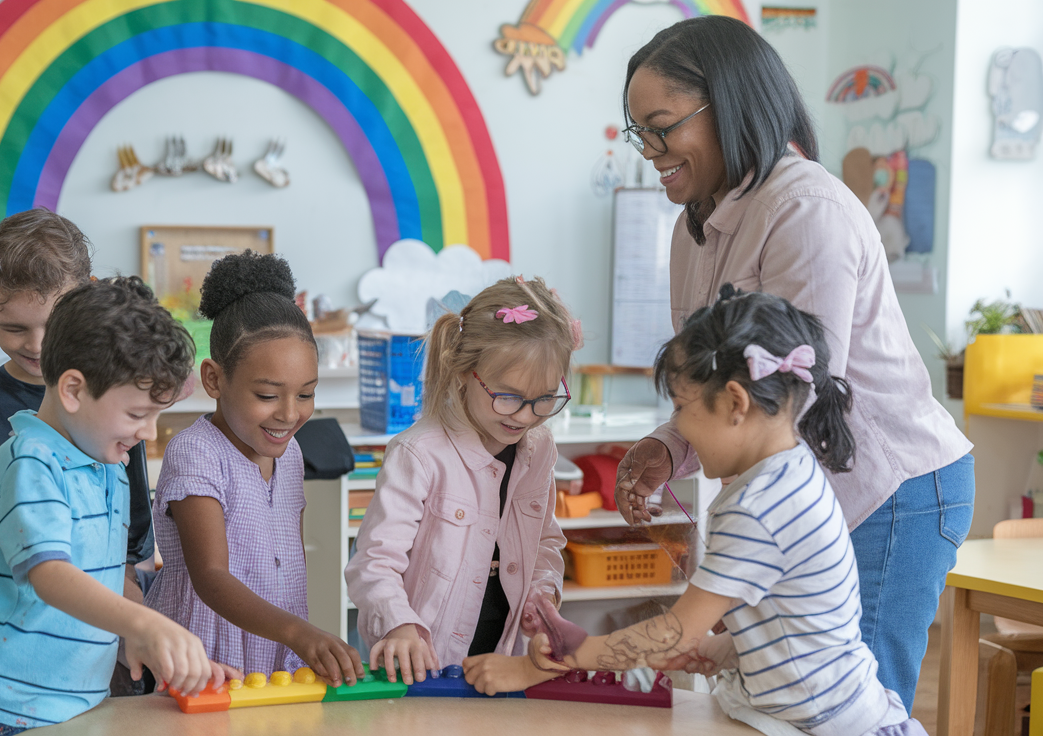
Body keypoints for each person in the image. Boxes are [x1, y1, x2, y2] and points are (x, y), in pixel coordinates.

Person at [611, 16, 973, 712]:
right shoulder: (695, 228)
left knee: (846, 708)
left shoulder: (806, 211)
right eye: (639, 132)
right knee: (776, 698)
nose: (650, 150)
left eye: (662, 126)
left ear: (728, 104)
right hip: (805, 491)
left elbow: (786, 396)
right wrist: (669, 445)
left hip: (886, 488)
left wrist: (733, 566)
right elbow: (715, 384)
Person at [469, 287, 928, 736]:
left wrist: (557, 659)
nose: (679, 425)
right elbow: (800, 617)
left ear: (734, 402)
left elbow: (676, 631)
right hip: (818, 712)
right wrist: (725, 650)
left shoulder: (759, 506)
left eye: (682, 406)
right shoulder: (789, 475)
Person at [0, 277, 238, 735]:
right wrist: (147, 624)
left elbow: (104, 577)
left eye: (156, 416)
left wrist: (146, 641)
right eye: (136, 415)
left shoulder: (106, 460)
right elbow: (51, 576)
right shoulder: (31, 459)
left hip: (60, 706)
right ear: (72, 390)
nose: (149, 432)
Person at [0, 209, 155, 618]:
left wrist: (132, 578)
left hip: (103, 606)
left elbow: (133, 501)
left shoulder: (111, 394)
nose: (37, 345)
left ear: (89, 299)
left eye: (53, 322)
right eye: (14, 328)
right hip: (8, 611)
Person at [143, 251, 363, 686]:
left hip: (273, 661)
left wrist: (300, 639)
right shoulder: (196, 453)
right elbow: (211, 576)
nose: (288, 414)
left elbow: (288, 565)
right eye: (267, 395)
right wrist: (298, 632)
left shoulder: (291, 453)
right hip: (206, 664)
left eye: (306, 394)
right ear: (214, 380)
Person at [344, 276, 575, 684]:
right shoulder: (419, 453)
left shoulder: (538, 449)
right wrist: (399, 625)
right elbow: (374, 563)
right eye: (507, 396)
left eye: (543, 399)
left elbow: (544, 541)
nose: (523, 416)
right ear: (466, 372)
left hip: (499, 658)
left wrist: (543, 594)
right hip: (419, 661)